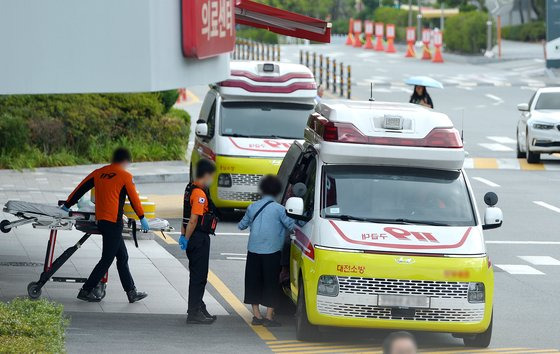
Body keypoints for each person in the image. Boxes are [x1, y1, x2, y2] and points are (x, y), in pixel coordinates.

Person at [62, 147, 149, 303]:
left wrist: (67, 204)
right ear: (124, 161)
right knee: (107, 259)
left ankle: (131, 292)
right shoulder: (125, 176)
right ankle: (86, 290)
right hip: (114, 222)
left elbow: (80, 188)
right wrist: (142, 217)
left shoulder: (99, 172)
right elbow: (134, 199)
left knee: (122, 256)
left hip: (102, 221)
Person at [238, 175, 295, 327]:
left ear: (262, 190)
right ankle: (269, 317)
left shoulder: (252, 207)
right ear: (276, 192)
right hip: (272, 252)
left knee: (253, 281)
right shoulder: (280, 209)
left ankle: (256, 316)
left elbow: (241, 225)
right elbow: (292, 225)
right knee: (271, 283)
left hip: (253, 250)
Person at [179, 159, 218, 324]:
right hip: (198, 238)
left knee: (198, 275)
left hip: (192, 238)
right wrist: (186, 238)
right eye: (211, 176)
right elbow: (194, 219)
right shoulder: (200, 194)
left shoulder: (190, 189)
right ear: (206, 175)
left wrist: (183, 235)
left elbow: (185, 215)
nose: (212, 180)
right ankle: (193, 312)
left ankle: (199, 306)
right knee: (199, 277)